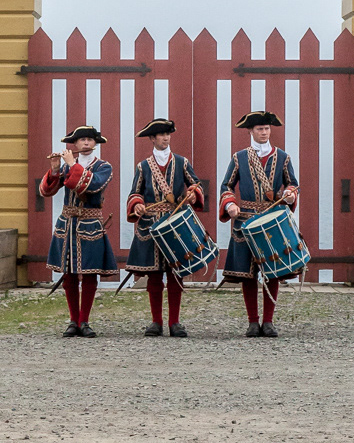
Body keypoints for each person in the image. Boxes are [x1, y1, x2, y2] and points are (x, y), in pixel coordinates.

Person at [219, 110, 300, 338]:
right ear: (250, 132)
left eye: (266, 129)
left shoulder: (283, 157)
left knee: (273, 271)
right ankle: (253, 322)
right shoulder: (239, 158)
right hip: (245, 219)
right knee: (248, 273)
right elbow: (226, 186)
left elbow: (292, 183)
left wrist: (290, 194)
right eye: (259, 129)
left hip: (273, 219)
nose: (264, 133)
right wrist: (229, 205)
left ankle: (269, 321)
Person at [125, 118, 205, 338]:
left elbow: (196, 184)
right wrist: (137, 204)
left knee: (176, 273)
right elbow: (135, 193)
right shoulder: (143, 166)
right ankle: (156, 322)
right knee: (153, 275)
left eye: (168, 134)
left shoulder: (182, 162)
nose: (165, 138)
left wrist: (193, 194)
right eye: (161, 135)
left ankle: (175, 322)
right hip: (150, 224)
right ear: (152, 139)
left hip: (175, 224)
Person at [39, 125, 117, 337]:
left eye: (90, 139)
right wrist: (55, 169)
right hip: (67, 224)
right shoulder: (65, 166)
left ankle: (85, 320)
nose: (85, 143)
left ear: (95, 143)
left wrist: (72, 164)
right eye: (81, 139)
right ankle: (73, 321)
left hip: (90, 224)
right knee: (69, 273)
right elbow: (46, 191)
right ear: (74, 144)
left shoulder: (103, 167)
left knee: (90, 273)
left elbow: (91, 186)